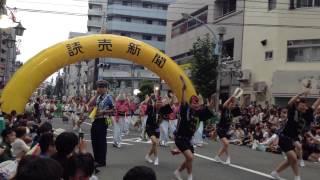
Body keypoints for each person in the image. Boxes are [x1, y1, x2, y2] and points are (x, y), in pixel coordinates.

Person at [270, 92, 320, 180]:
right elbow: (290, 102)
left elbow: (315, 104)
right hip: (284, 137)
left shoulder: (307, 114)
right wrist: (300, 94)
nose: (303, 106)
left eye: (304, 105)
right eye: (301, 104)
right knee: (293, 158)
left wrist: (313, 138)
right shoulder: (293, 111)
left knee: (290, 160)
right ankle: (297, 177)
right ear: (298, 105)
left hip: (293, 139)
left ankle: (275, 172)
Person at [173, 76, 200, 180]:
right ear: (190, 103)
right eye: (194, 103)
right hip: (180, 138)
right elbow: (183, 101)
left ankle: (179, 172)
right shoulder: (186, 109)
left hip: (188, 139)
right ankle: (189, 176)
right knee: (190, 157)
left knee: (189, 159)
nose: (196, 105)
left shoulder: (196, 113)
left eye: (197, 103)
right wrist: (183, 89)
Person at [88, 80, 113, 168]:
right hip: (95, 120)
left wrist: (103, 112)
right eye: (99, 87)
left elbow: (114, 109)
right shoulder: (98, 97)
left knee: (101, 141)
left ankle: (102, 161)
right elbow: (90, 104)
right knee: (94, 139)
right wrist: (96, 95)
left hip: (103, 120)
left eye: (102, 87)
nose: (100, 89)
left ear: (106, 88)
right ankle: (96, 159)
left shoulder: (109, 97)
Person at [213, 95, 238, 165]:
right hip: (220, 129)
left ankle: (219, 157)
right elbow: (224, 104)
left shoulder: (231, 113)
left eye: (233, 104)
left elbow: (230, 122)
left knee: (225, 145)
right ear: (228, 104)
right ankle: (227, 157)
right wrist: (230, 98)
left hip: (225, 130)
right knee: (226, 143)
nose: (232, 105)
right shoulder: (225, 110)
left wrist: (234, 100)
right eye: (231, 104)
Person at [144, 93, 162, 166]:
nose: (159, 103)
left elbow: (161, 119)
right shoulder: (151, 107)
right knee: (154, 142)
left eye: (160, 102)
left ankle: (148, 156)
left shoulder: (162, 110)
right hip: (149, 126)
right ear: (155, 102)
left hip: (157, 128)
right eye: (157, 102)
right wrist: (150, 97)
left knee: (155, 144)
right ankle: (156, 158)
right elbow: (147, 103)